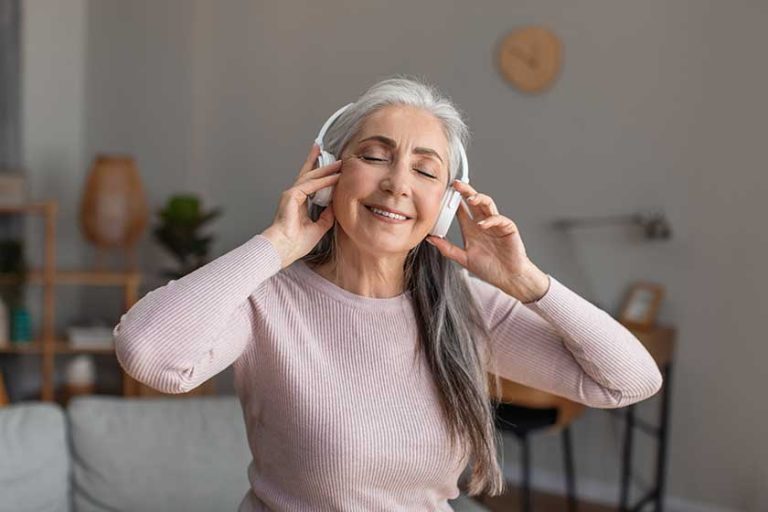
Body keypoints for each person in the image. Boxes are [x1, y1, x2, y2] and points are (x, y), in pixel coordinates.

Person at [114, 76, 663, 511]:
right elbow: (149, 354)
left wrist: (529, 285)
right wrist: (276, 245)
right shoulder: (267, 299)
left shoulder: (464, 306)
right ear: (329, 173)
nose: (398, 183)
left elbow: (630, 381)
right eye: (375, 156)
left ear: (446, 205)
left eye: (425, 170)